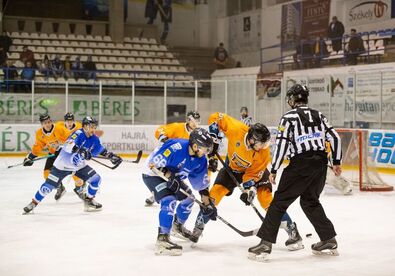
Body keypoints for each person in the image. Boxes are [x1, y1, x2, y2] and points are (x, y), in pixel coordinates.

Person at [248, 84, 342, 261]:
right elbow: (335, 137)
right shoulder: (319, 115)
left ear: (292, 99)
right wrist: (336, 161)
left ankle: (265, 244)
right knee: (310, 201)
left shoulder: (288, 117)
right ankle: (329, 238)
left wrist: (274, 169)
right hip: (320, 164)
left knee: (278, 203)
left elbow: (282, 144)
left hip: (300, 165)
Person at [188, 113, 304, 252]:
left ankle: (292, 230)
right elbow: (215, 117)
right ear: (252, 140)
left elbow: (253, 175)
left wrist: (249, 190)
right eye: (261, 143)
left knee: (266, 199)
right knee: (214, 195)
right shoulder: (237, 129)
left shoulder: (263, 153)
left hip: (252, 172)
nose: (264, 147)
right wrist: (215, 138)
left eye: (265, 143)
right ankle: (198, 227)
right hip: (231, 168)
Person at [23, 116, 122, 214]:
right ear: (85, 126)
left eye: (94, 127)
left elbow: (100, 149)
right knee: (47, 187)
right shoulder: (78, 133)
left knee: (96, 179)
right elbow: (68, 145)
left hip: (78, 166)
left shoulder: (94, 138)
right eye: (91, 126)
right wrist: (81, 151)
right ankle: (34, 203)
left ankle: (89, 201)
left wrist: (111, 156)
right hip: (62, 166)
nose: (93, 129)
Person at [141, 128, 214, 255]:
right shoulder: (176, 147)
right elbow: (153, 165)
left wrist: (208, 205)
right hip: (153, 174)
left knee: (189, 198)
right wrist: (169, 176)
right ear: (195, 146)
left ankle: (177, 225)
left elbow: (201, 186)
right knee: (169, 200)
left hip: (172, 176)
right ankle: (162, 239)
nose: (206, 152)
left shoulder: (201, 160)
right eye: (205, 148)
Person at [145, 111, 218, 206]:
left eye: (198, 120)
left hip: (183, 164)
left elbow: (205, 150)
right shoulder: (177, 127)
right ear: (188, 120)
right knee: (168, 178)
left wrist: (212, 158)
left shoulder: (200, 134)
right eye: (193, 120)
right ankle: (157, 194)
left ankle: (203, 194)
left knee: (195, 173)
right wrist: (163, 137)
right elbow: (160, 130)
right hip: (170, 161)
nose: (196, 123)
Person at [53, 112, 85, 200]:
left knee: (79, 176)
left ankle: (79, 189)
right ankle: (60, 188)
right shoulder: (59, 127)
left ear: (73, 121)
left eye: (71, 121)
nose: (69, 123)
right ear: (65, 121)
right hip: (64, 155)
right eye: (67, 121)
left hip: (75, 154)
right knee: (56, 172)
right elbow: (55, 138)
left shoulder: (79, 127)